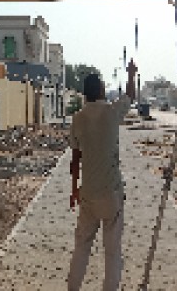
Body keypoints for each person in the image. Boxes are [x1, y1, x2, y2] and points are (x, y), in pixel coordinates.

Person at [67, 60, 137, 291]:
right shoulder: (111, 112)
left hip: (88, 193)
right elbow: (130, 96)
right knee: (112, 251)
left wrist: (74, 190)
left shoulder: (78, 118)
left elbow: (75, 159)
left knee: (81, 247)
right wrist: (131, 74)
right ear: (99, 90)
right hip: (111, 192)